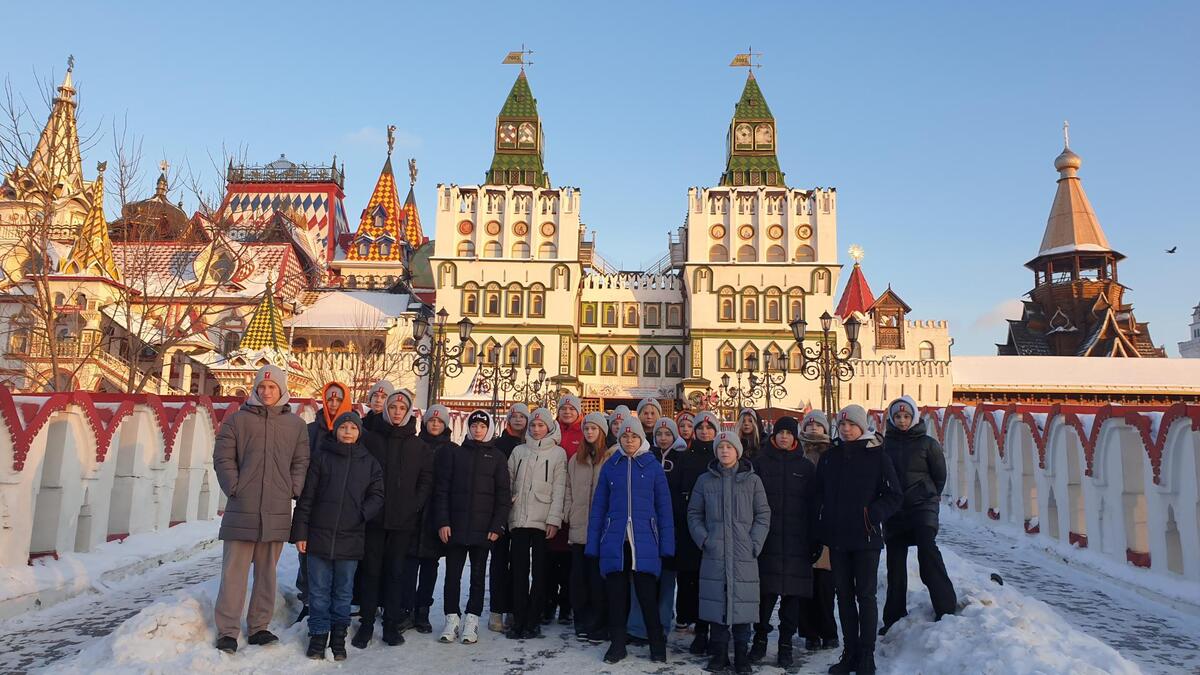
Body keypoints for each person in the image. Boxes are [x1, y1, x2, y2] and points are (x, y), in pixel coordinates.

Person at [212, 365, 310, 654]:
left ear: (282, 390)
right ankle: (228, 630)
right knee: (234, 573)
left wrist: (293, 488)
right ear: (255, 389)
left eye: (272, 387)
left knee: (267, 572)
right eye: (262, 387)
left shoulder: (295, 426)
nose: (267, 392)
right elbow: (223, 457)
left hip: (277, 508)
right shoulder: (237, 421)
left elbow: (301, 461)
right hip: (242, 506)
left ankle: (259, 627)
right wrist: (234, 486)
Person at [814, 405, 901, 675]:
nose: (847, 429)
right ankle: (849, 652)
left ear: (862, 426)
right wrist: (821, 525)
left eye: (852, 424)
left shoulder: (877, 457)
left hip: (866, 539)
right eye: (843, 425)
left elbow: (894, 495)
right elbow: (818, 495)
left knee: (865, 595)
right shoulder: (830, 457)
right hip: (838, 538)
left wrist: (872, 515)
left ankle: (867, 655)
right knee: (844, 597)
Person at [293, 411, 384, 661]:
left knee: (343, 592)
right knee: (319, 590)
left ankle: (338, 637)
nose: (347, 432)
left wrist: (361, 513)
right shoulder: (322, 458)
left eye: (352, 428)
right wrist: (301, 531)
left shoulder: (369, 462)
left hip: (351, 536)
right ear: (336, 431)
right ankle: (319, 635)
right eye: (343, 427)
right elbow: (307, 498)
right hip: (318, 536)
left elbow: (378, 495)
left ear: (359, 432)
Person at [586, 418, 674, 665]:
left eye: (634, 437)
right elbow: (599, 506)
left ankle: (657, 644)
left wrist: (666, 544)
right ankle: (617, 644)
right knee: (616, 596)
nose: (629, 441)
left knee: (647, 596)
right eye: (625, 438)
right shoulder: (611, 465)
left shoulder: (653, 466)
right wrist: (594, 542)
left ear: (641, 439)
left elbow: (664, 507)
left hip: (644, 540)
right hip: (615, 540)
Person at [353, 388, 433, 649]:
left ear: (408, 411)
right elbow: (361, 472)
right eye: (393, 408)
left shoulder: (417, 445)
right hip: (375, 518)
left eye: (402, 408)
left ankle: (390, 625)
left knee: (396, 573)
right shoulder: (371, 439)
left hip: (402, 520)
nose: (397, 413)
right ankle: (366, 625)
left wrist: (415, 505)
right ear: (386, 410)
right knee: (370, 572)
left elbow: (425, 479)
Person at [689, 432, 771, 674]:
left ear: (738, 451)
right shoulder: (705, 481)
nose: (724, 451)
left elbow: (763, 515)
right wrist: (704, 539)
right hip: (715, 552)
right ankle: (720, 652)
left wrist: (754, 542)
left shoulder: (752, 481)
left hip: (743, 553)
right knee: (718, 603)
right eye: (720, 447)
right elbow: (694, 514)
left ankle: (742, 654)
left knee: (742, 604)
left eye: (729, 447)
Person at [434, 410, 512, 645]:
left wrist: (497, 525)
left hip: (483, 528)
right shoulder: (456, 454)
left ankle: (472, 619)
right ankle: (451, 618)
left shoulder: (497, 457)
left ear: (488, 429)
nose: (478, 430)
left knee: (478, 577)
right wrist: (443, 521)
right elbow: (442, 490)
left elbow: (503, 495)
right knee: (452, 576)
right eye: (474, 425)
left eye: (482, 426)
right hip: (456, 527)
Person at [880, 396, 956, 634]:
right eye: (898, 417)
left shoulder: (928, 444)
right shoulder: (884, 445)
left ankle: (945, 607)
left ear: (914, 417)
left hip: (922, 507)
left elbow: (939, 476)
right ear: (892, 419)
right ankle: (893, 617)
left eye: (906, 416)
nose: (902, 421)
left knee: (928, 552)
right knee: (895, 565)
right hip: (894, 511)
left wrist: (928, 498)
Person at [750, 416, 819, 669]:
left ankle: (786, 644)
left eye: (789, 433)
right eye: (780, 433)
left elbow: (814, 506)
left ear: (794, 437)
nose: (784, 437)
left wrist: (815, 539)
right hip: (766, 540)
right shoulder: (760, 464)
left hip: (796, 541)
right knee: (764, 595)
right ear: (774, 435)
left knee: (792, 596)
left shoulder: (805, 467)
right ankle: (759, 639)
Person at [507, 407, 568, 639]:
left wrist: (554, 519)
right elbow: (509, 480)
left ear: (549, 427)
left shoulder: (558, 453)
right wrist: (509, 507)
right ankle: (519, 618)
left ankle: (534, 619)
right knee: (519, 572)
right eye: (533, 425)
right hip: (520, 518)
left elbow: (560, 488)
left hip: (543, 520)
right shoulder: (519, 451)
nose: (536, 429)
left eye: (541, 425)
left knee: (540, 573)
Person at [294, 381, 353, 623]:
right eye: (330, 399)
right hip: (314, 501)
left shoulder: (354, 431)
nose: (334, 403)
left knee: (341, 559)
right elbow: (300, 461)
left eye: (339, 399)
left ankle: (338, 606)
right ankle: (309, 601)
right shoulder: (311, 431)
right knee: (308, 555)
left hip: (343, 505)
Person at [626, 418, 685, 644]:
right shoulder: (645, 459)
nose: (662, 438)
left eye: (667, 434)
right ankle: (638, 626)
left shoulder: (681, 459)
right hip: (646, 525)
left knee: (667, 580)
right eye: (659, 434)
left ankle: (661, 624)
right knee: (642, 578)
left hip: (671, 525)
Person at [404, 404, 454, 634]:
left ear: (445, 425)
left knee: (429, 567)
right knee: (408, 565)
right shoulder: (414, 444)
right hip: (413, 513)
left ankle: (422, 610)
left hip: (436, 514)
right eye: (431, 421)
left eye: (439, 421)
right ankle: (406, 609)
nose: (435, 424)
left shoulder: (452, 450)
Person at [564, 412, 613, 641]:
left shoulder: (610, 458)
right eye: (587, 429)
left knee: (597, 578)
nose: (590, 432)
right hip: (579, 526)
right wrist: (568, 513)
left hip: (602, 529)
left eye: (594, 429)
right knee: (579, 578)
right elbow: (568, 489)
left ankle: (598, 621)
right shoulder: (576, 459)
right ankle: (581, 620)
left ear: (602, 432)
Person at [679, 411, 720, 655]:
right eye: (700, 428)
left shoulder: (719, 455)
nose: (705, 432)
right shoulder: (685, 457)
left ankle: (706, 626)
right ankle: (693, 621)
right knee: (690, 577)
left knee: (711, 581)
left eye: (709, 428)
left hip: (714, 524)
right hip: (690, 524)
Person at [798, 411, 838, 652]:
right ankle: (809, 632)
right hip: (802, 523)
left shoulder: (832, 454)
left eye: (818, 425)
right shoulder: (797, 451)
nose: (813, 428)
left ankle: (828, 630)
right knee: (804, 584)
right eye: (809, 424)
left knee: (825, 585)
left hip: (826, 524)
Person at [488, 402, 530, 632]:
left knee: (520, 563)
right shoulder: (498, 445)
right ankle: (496, 610)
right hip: (500, 512)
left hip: (524, 512)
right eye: (514, 416)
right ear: (508, 419)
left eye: (522, 417)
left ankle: (514, 608)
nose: (518, 420)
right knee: (498, 562)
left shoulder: (530, 445)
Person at [544, 396, 584, 626]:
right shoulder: (552, 432)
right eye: (563, 408)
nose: (567, 412)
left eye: (571, 408)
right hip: (551, 499)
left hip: (574, 501)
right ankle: (548, 602)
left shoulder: (584, 432)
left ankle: (567, 604)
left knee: (570, 560)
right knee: (549, 557)